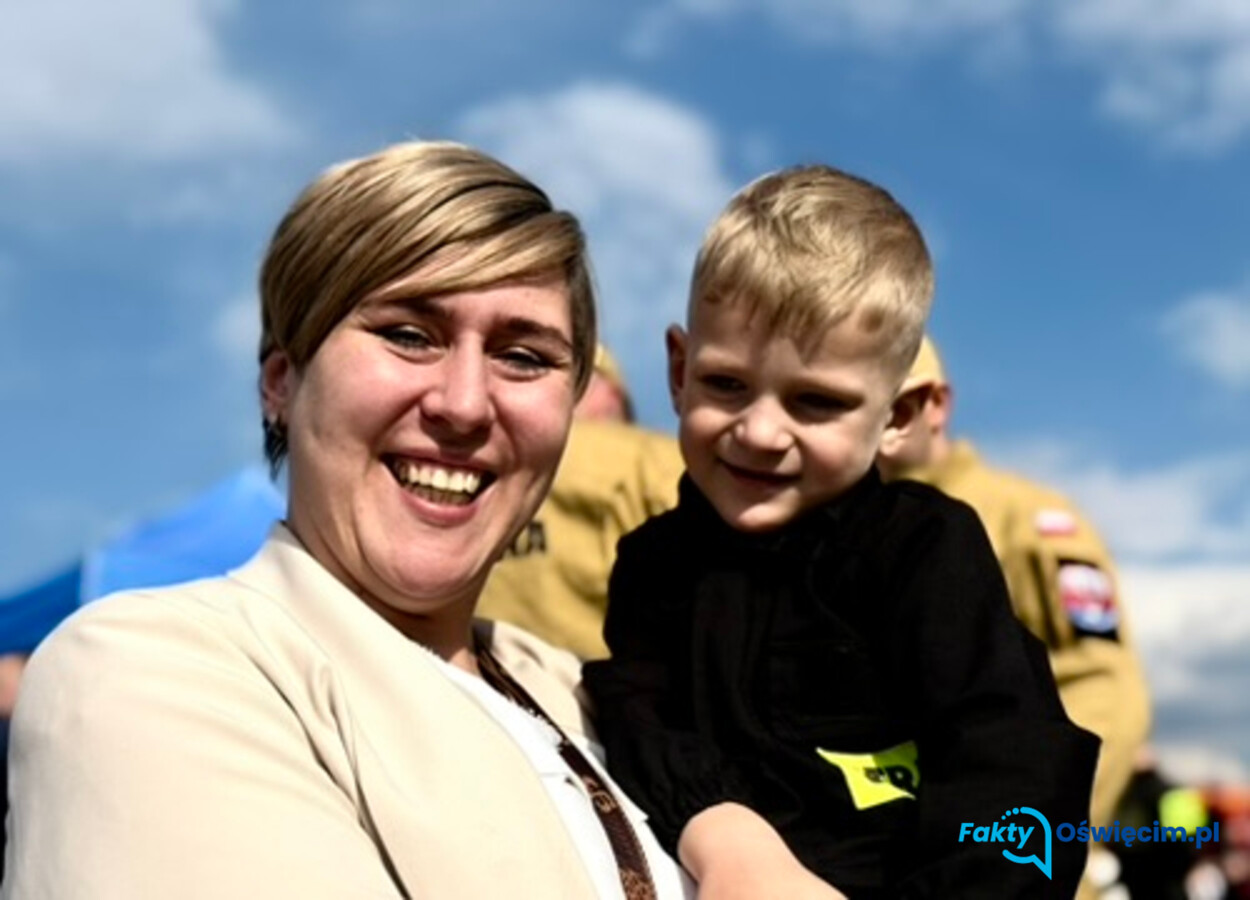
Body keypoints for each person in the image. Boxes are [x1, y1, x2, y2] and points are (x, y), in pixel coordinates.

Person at [2, 140, 693, 899]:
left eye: (524, 356)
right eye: (408, 335)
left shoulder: (591, 694)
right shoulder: (148, 668)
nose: (465, 403)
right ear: (281, 382)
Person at [583, 164, 1099, 899]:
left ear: (896, 417)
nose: (760, 432)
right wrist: (728, 841)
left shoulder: (926, 550)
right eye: (726, 384)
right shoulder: (652, 563)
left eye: (815, 402)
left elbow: (1013, 767)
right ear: (678, 370)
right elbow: (641, 720)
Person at [875, 335, 1153, 851]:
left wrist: (1015, 840)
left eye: (890, 407)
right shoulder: (833, 522)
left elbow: (1105, 690)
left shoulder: (1028, 520)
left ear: (933, 404)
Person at [477, 346, 684, 659]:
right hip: (614, 678)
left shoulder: (480, 474)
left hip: (492, 676)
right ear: (611, 395)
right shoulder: (645, 457)